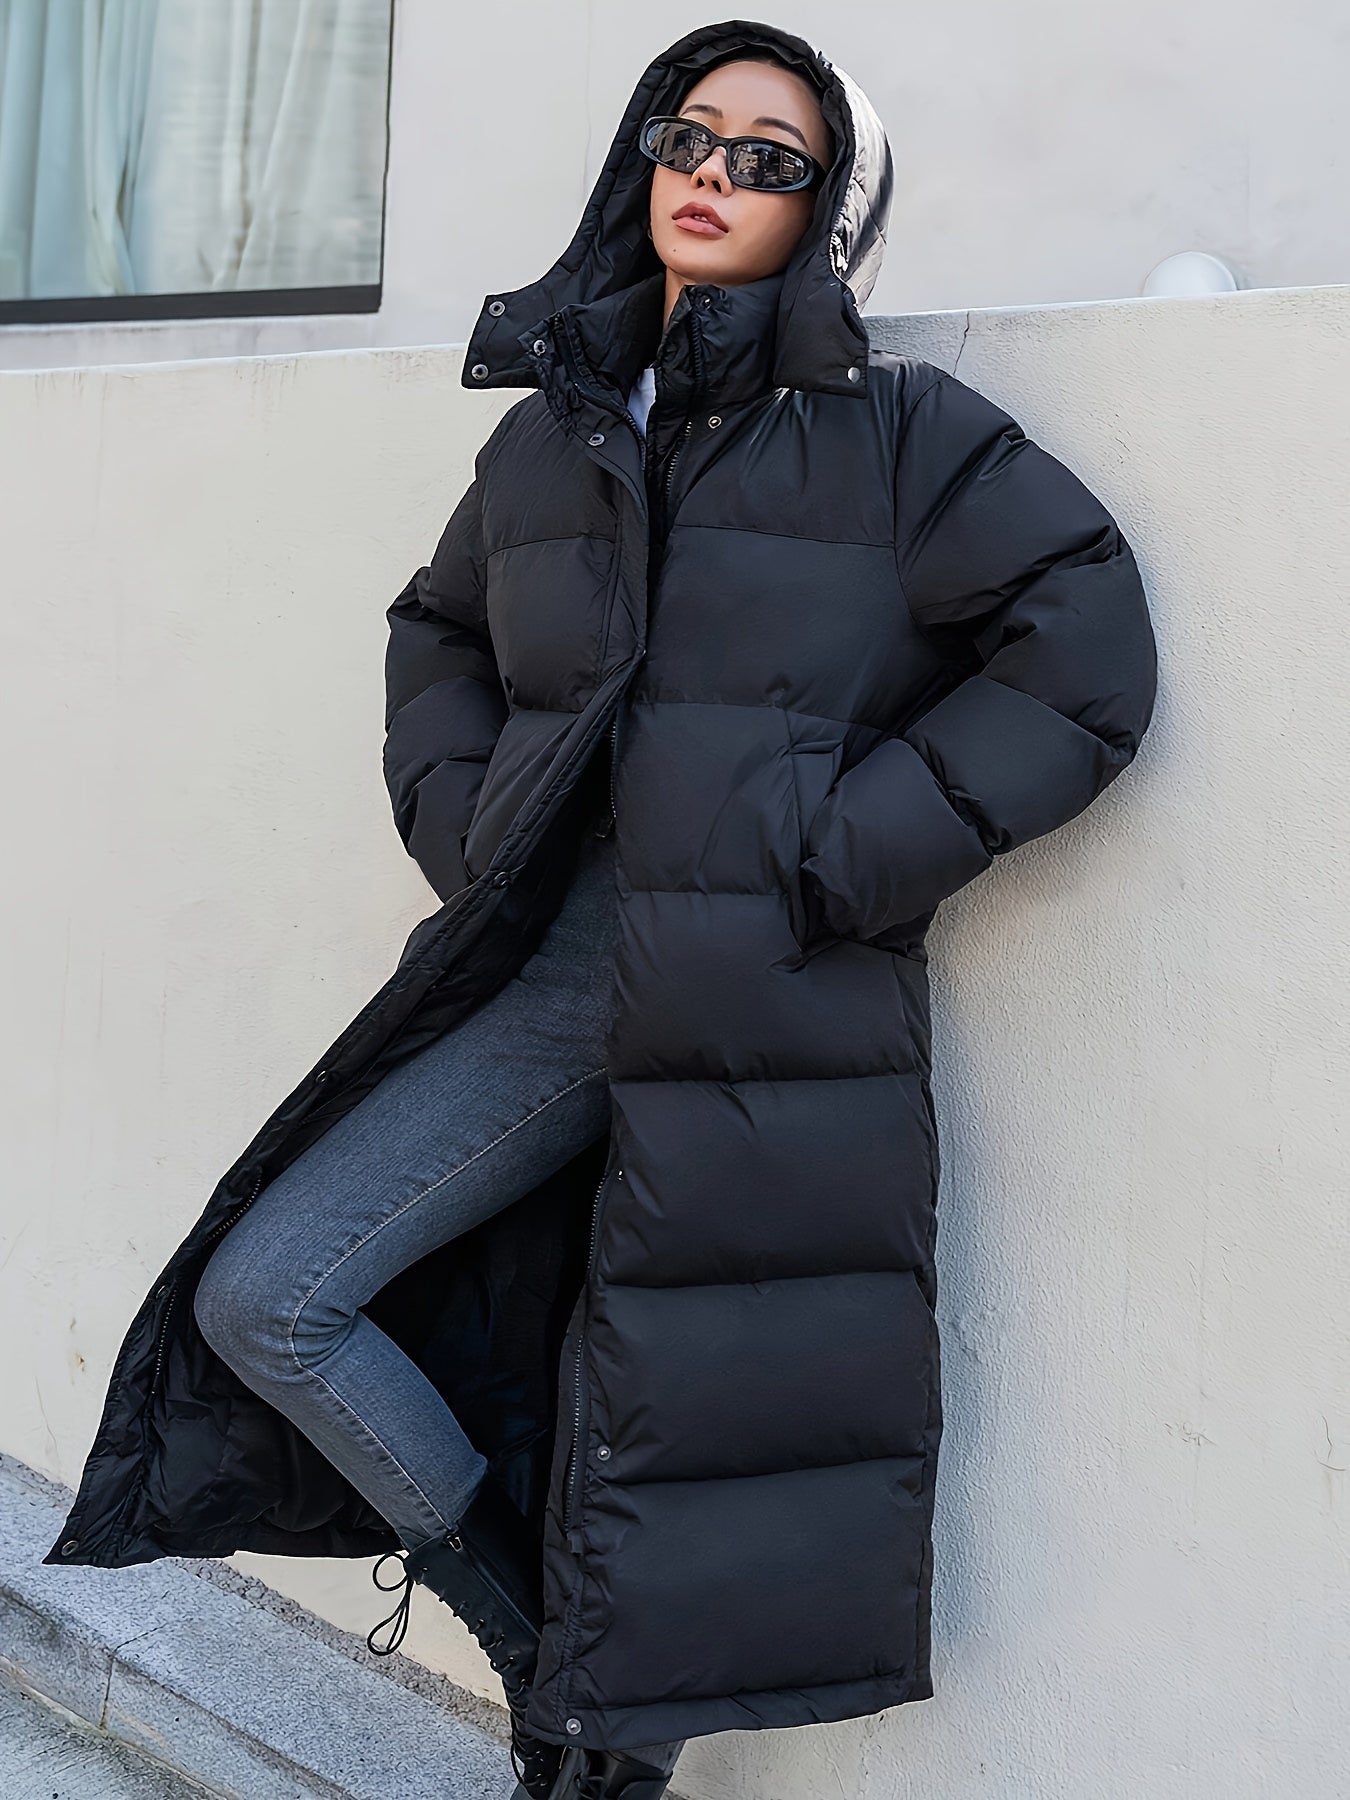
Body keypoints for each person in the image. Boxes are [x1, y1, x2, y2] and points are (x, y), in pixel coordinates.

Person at [50, 21, 1157, 1800]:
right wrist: (469, 822)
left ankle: (587, 1743)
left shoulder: (901, 435)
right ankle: (533, 1651)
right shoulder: (561, 433)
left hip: (753, 992)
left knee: (659, 1396)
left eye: (769, 158)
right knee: (274, 1298)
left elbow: (1082, 650)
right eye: (687, 134)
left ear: (832, 213)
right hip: (553, 972)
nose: (712, 175)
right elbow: (439, 633)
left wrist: (828, 853)